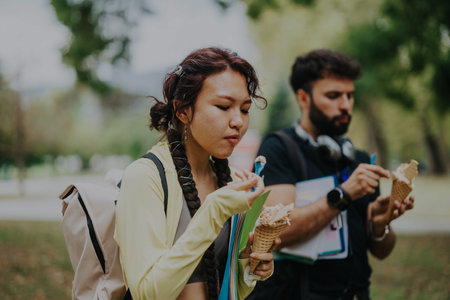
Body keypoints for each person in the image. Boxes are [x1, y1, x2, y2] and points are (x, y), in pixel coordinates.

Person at [247, 49, 414, 300]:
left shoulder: (359, 160)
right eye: (334, 95)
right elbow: (275, 233)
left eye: (350, 96)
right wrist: (342, 194)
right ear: (303, 98)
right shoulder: (279, 149)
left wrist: (381, 224)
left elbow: (380, 251)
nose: (346, 105)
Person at [114, 47, 278, 300]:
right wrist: (214, 210)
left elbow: (230, 289)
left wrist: (250, 265)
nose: (238, 121)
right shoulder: (145, 177)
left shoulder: (233, 182)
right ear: (182, 110)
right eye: (224, 106)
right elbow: (148, 293)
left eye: (245, 109)